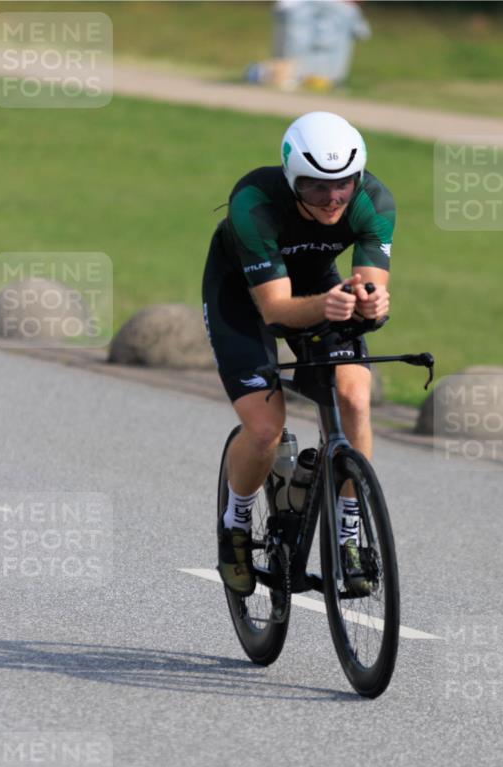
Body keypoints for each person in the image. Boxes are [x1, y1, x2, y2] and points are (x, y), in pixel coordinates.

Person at [202, 111, 394, 596]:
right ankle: (237, 524)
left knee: (353, 395)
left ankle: (349, 531)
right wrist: (327, 306)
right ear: (292, 181)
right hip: (244, 297)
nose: (332, 198)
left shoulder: (373, 201)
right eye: (314, 187)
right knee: (265, 428)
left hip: (315, 284)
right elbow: (275, 311)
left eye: (343, 185)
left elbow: (371, 287)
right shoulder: (254, 203)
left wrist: (371, 303)